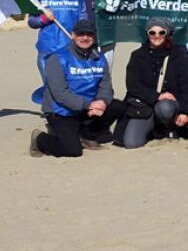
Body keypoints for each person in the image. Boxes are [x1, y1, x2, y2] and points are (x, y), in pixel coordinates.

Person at [29, 19, 123, 158]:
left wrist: (102, 101)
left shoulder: (100, 58)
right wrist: (89, 105)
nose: (85, 38)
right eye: (81, 34)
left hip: (88, 108)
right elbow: (60, 94)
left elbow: (106, 86)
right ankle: (39, 139)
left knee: (117, 106)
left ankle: (87, 135)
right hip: (61, 111)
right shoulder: (57, 58)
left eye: (89, 34)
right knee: (72, 151)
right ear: (73, 35)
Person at [110, 18, 188, 149]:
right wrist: (156, 96)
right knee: (132, 143)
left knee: (164, 108)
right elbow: (132, 85)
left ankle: (169, 128)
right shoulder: (138, 55)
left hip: (170, 105)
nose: (156, 36)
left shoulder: (178, 54)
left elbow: (186, 85)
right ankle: (153, 130)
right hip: (145, 105)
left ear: (168, 34)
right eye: (152, 32)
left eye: (161, 32)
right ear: (147, 34)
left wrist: (184, 111)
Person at [27, 0, 89, 105]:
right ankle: (52, 116)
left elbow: (83, 19)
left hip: (71, 50)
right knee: (51, 87)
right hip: (47, 51)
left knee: (69, 88)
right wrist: (43, 19)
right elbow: (31, 21)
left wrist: (82, 37)